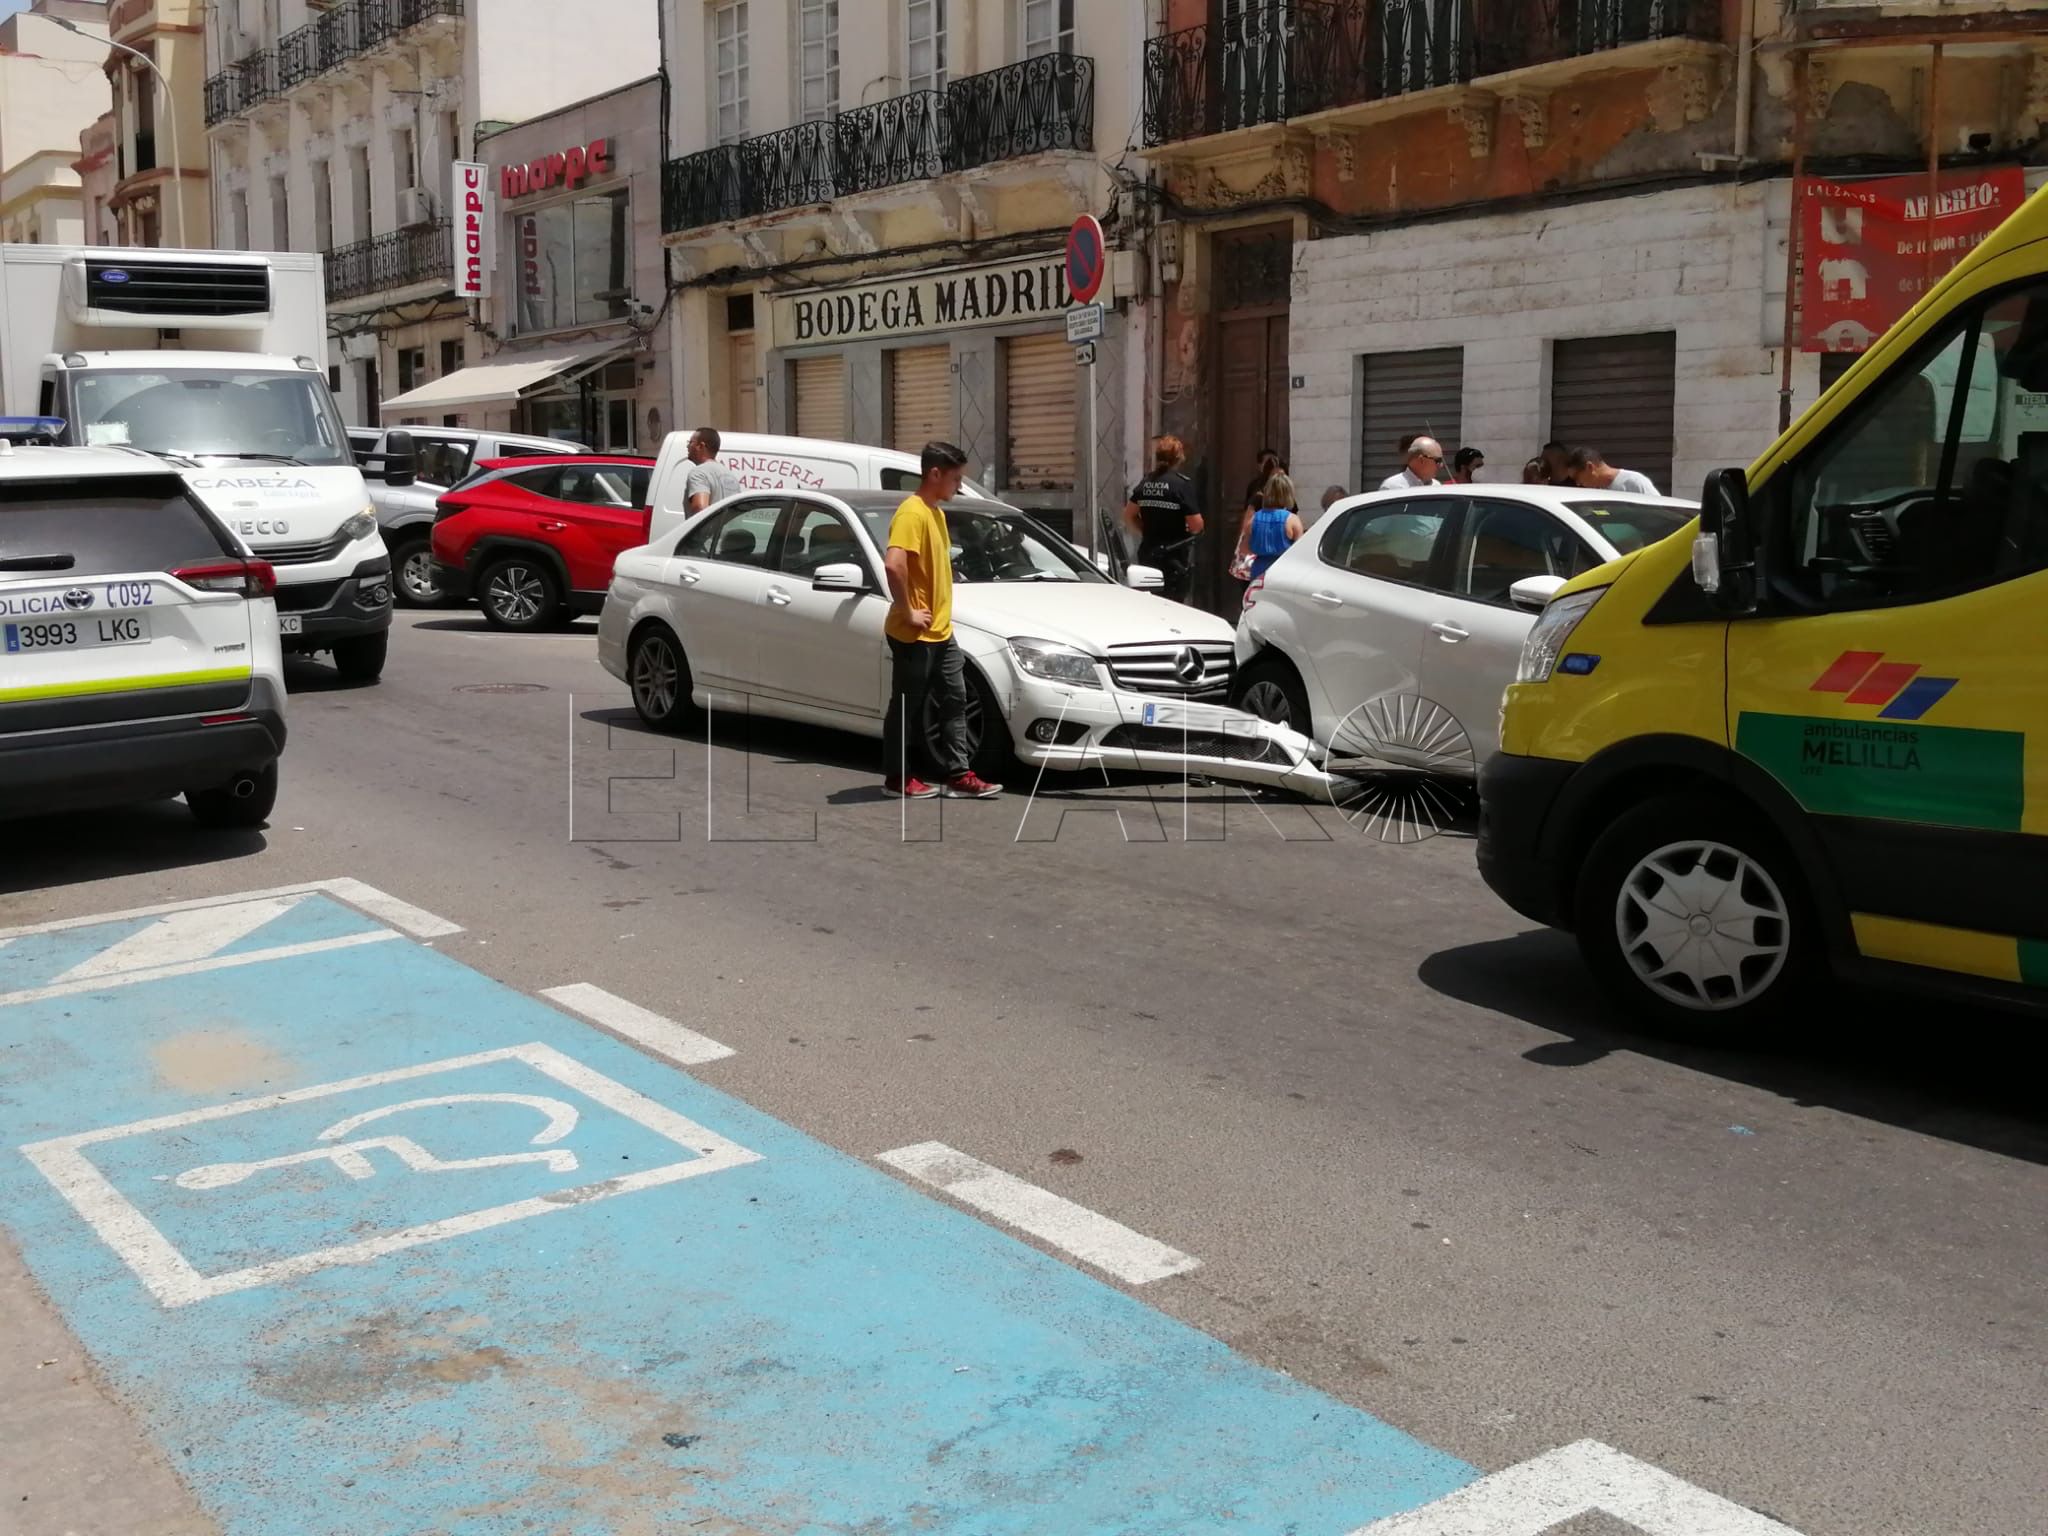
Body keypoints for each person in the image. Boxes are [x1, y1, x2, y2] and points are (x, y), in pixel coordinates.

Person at [881, 441, 1000, 801]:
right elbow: (893, 564)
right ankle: (898, 778)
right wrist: (907, 610)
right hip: (914, 633)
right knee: (907, 706)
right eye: (955, 479)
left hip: (941, 632)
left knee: (955, 698)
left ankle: (959, 775)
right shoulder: (912, 513)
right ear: (934, 474)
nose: (958, 486)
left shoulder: (936, 514)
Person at [1122, 435, 1204, 603]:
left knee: (1150, 603)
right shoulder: (1181, 485)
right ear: (1179, 458)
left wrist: (1145, 530)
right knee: (1172, 605)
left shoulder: (1145, 483)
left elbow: (1128, 515)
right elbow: (1196, 525)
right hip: (1173, 558)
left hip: (1148, 554)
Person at [1234, 470, 1306, 584]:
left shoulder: (1254, 519)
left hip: (1259, 571)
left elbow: (1244, 548)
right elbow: (1300, 551)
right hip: (1284, 571)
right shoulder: (1292, 520)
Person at [683, 427, 742, 514]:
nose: (687, 446)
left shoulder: (699, 473)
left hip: (709, 523)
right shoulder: (731, 476)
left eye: (691, 442)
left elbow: (700, 508)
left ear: (701, 446)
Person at [1567, 446, 1659, 496]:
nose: (1578, 483)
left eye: (1576, 477)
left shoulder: (1634, 482)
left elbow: (1659, 511)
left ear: (1589, 467)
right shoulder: (1594, 494)